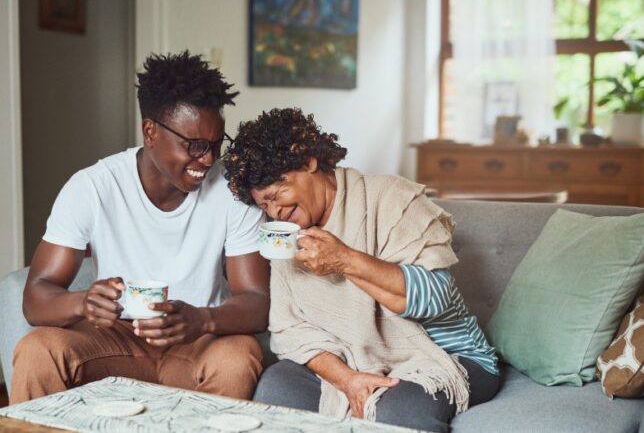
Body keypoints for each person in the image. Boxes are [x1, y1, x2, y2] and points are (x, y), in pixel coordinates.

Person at [11, 51, 270, 404]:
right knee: (38, 349)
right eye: (194, 145)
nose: (208, 160)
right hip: (114, 340)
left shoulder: (232, 192)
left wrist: (202, 319)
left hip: (198, 341)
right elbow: (35, 298)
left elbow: (257, 301)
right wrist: (82, 302)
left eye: (215, 144)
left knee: (238, 356)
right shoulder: (93, 187)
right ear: (150, 131)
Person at [222, 108, 500, 432]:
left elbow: (435, 298)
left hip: (444, 356)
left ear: (308, 161)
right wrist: (348, 379)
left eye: (277, 195)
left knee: (396, 410)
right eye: (264, 205)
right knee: (277, 387)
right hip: (351, 359)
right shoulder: (283, 235)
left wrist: (344, 260)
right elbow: (288, 330)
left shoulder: (392, 199)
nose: (274, 211)